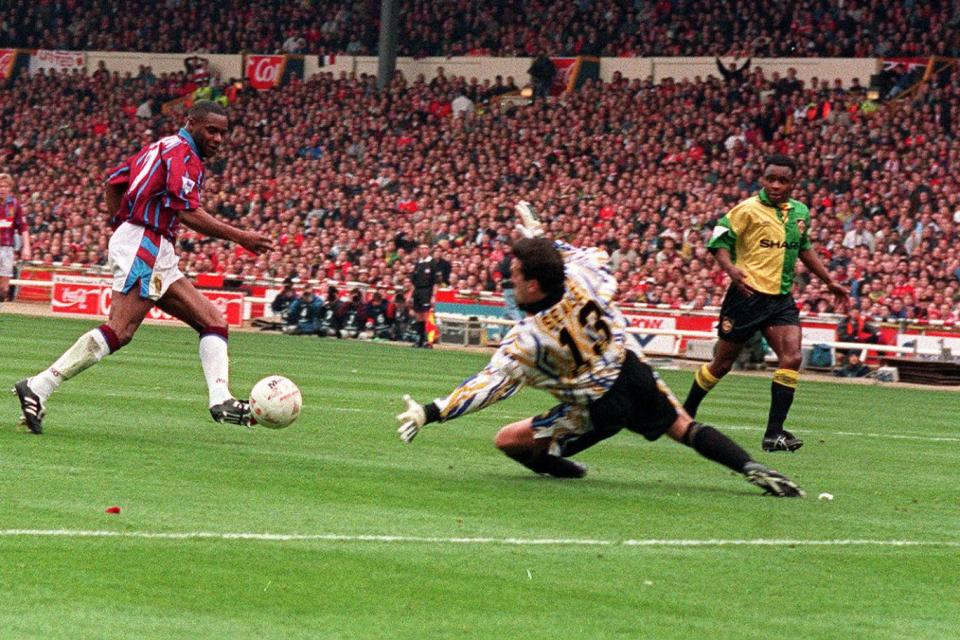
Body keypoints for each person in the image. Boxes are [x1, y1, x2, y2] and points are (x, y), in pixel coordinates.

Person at [394, 203, 803, 498]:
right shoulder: (580, 277)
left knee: (507, 440)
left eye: (515, 275)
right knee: (683, 427)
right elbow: (582, 256)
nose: (509, 279)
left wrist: (430, 411)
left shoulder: (529, 338)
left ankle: (562, 462)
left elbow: (488, 387)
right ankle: (752, 468)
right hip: (631, 373)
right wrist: (539, 238)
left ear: (534, 285)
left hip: (594, 407)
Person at [13, 100, 272, 434]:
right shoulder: (184, 155)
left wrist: (122, 226)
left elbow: (113, 183)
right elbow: (187, 212)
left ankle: (220, 399)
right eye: (211, 130)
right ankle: (39, 385)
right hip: (146, 243)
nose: (218, 138)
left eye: (223, 132)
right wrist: (242, 237)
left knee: (213, 319)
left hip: (148, 243)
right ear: (190, 123)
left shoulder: (160, 147)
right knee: (120, 329)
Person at [682, 155, 849, 452]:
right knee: (722, 364)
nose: (775, 185)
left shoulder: (800, 212)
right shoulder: (746, 210)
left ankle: (774, 434)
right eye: (770, 178)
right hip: (746, 297)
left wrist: (828, 281)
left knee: (792, 357)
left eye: (782, 180)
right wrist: (731, 271)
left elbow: (804, 248)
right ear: (763, 178)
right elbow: (718, 243)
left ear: (793, 182)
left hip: (780, 300)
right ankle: (685, 411)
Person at [0, 173, 31, 313]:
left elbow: (23, 227)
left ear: (9, 188)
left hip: (7, 249)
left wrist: (27, 247)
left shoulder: (14, 204)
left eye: (5, 186)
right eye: (0, 185)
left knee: (4, 288)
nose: (2, 188)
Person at [410, 242, 439, 348]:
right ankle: (420, 340)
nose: (423, 250)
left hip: (427, 291)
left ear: (429, 250)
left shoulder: (432, 263)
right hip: (417, 291)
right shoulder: (418, 263)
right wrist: (411, 295)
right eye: (421, 248)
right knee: (418, 316)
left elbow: (436, 281)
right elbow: (413, 281)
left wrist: (433, 296)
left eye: (425, 248)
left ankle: (429, 341)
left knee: (427, 316)